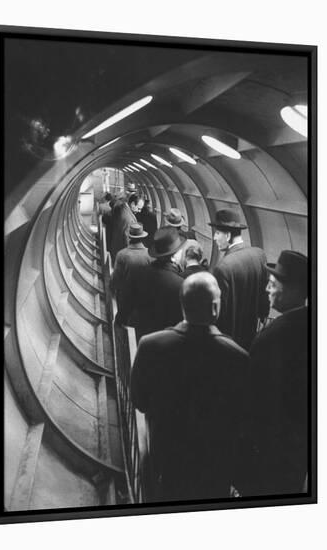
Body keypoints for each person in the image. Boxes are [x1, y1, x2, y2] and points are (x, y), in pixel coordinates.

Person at [131, 272, 250, 502]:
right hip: (215, 463)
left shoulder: (150, 345)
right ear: (215, 308)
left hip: (166, 455)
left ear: (182, 304)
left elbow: (139, 400)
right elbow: (242, 416)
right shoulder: (238, 358)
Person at [249, 250, 308, 496]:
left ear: (293, 290)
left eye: (273, 284)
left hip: (270, 451)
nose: (267, 289)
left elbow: (254, 402)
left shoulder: (271, 338)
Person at [209, 208, 269, 350]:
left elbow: (220, 315)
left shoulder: (223, 268)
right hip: (251, 336)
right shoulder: (259, 255)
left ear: (228, 235)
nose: (214, 238)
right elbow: (264, 295)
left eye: (217, 233)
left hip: (229, 343)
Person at [115, 226, 185, 340]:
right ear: (175, 255)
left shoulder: (138, 274)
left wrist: (120, 322)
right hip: (166, 343)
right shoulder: (180, 285)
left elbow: (125, 305)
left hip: (141, 337)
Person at [110, 223, 151, 310]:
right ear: (142, 237)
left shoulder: (121, 255)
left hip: (125, 300)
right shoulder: (150, 255)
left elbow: (115, 280)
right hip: (145, 300)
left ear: (129, 237)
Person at [110, 193, 144, 262]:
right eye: (139, 208)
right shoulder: (129, 220)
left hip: (115, 248)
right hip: (122, 254)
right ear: (132, 204)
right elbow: (127, 241)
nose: (139, 211)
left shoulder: (122, 207)